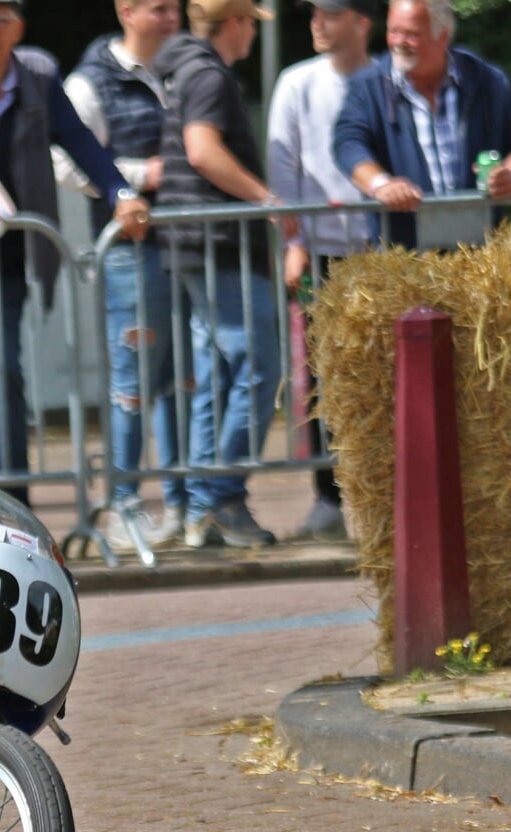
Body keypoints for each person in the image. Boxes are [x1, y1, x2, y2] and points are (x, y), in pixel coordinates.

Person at [0, 0, 150, 503]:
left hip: (11, 245)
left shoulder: (38, 72)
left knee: (5, 367)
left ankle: (13, 490)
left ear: (19, 28)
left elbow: (78, 139)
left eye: (1, 20)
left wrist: (120, 192)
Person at [155, 0, 290, 547]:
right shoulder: (209, 74)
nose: (254, 35)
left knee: (216, 377)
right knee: (259, 367)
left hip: (197, 247)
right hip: (221, 247)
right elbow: (203, 151)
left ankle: (206, 506)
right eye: (250, 23)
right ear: (235, 23)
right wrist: (267, 199)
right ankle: (220, 499)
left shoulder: (184, 68)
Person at [54, 0, 188, 550]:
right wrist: (135, 177)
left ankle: (182, 504)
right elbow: (62, 161)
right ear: (126, 10)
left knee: (181, 379)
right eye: (159, 8)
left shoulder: (182, 67)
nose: (172, 17)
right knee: (133, 382)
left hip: (186, 245)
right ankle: (124, 504)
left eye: (175, 7)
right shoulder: (89, 83)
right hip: (132, 252)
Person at [267, 0, 378, 543]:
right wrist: (295, 240)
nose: (316, 22)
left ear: (362, 22)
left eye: (331, 13)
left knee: (386, 375)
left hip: (384, 251)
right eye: (313, 13)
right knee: (322, 379)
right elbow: (282, 164)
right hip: (323, 253)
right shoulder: (297, 82)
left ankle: (388, 493)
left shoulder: (385, 78)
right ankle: (328, 499)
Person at [332, 0, 511, 249]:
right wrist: (382, 185)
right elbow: (347, 144)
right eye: (393, 31)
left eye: (411, 34)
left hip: (481, 260)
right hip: (404, 259)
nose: (399, 42)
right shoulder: (368, 87)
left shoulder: (485, 81)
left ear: (443, 35)